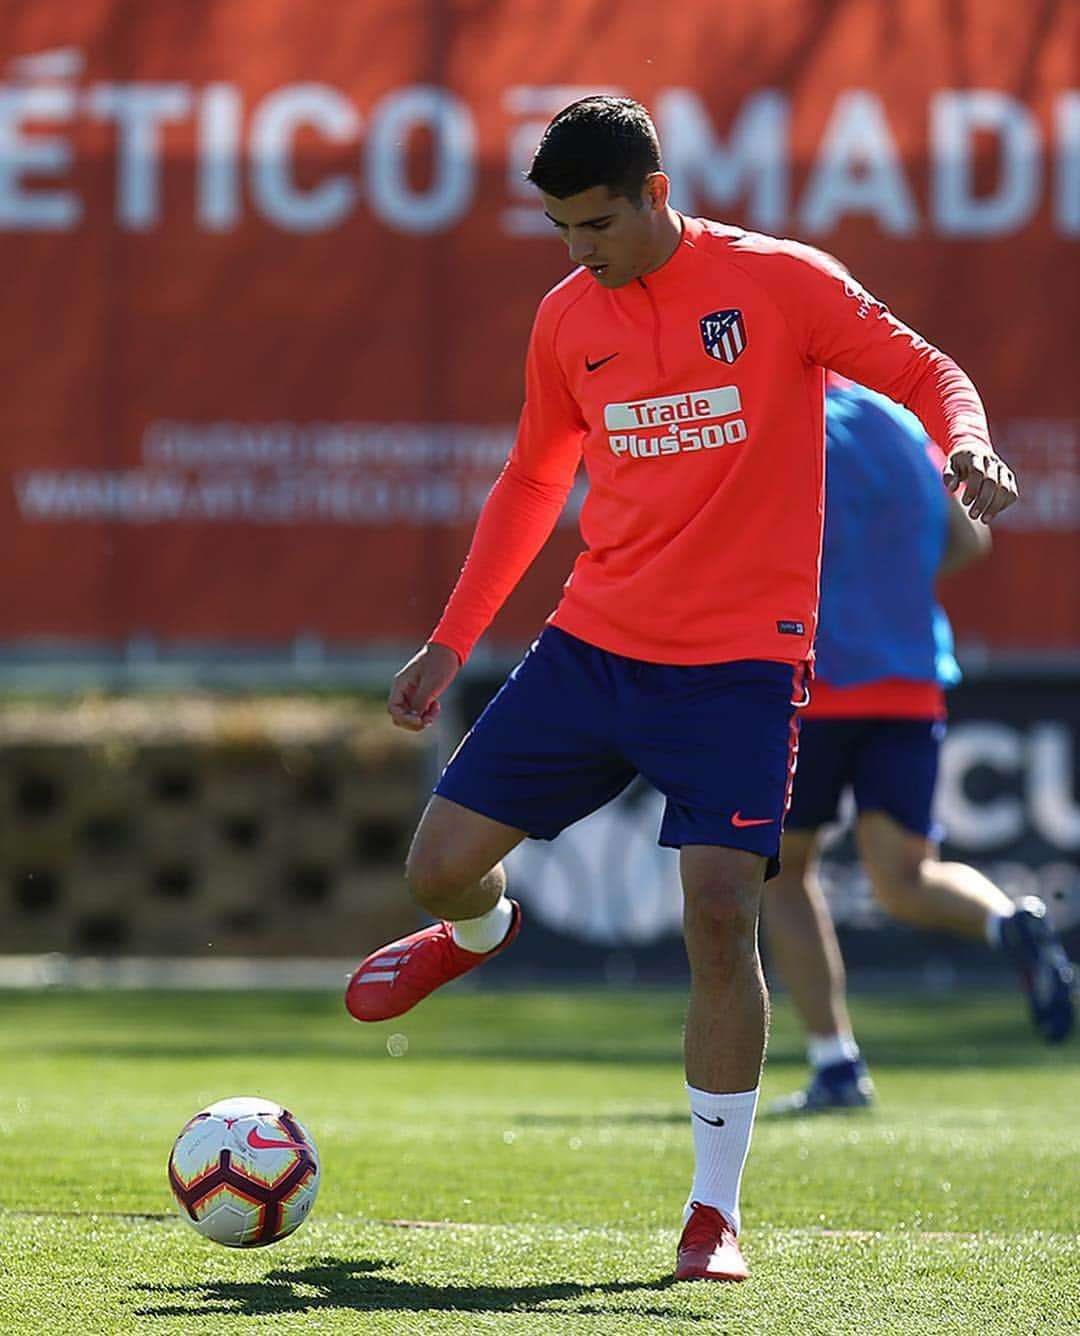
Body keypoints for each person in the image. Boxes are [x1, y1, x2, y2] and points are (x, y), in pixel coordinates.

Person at [344, 96, 1018, 1283]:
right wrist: (452, 642)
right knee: (434, 867)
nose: (578, 251)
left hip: (741, 665)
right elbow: (529, 481)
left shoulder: (782, 283)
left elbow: (923, 367)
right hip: (594, 646)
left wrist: (963, 437)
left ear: (657, 190)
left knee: (722, 911)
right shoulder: (565, 320)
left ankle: (714, 1215)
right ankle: (482, 927)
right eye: (558, 228)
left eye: (594, 223)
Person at [763, 376, 1074, 1115]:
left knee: (782, 871)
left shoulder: (780, 417)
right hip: (910, 681)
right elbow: (970, 537)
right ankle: (1011, 919)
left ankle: (836, 1064)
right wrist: (887, 582)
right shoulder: (900, 423)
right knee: (906, 878)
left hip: (817, 681)